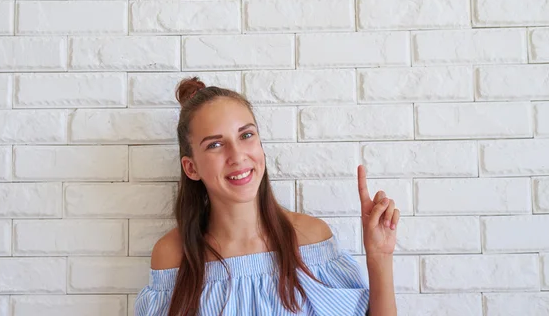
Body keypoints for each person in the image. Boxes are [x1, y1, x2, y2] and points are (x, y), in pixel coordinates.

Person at [134, 77, 400, 316]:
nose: (237, 156)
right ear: (191, 168)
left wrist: (379, 256)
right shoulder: (172, 255)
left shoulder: (310, 239)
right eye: (215, 144)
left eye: (246, 135)